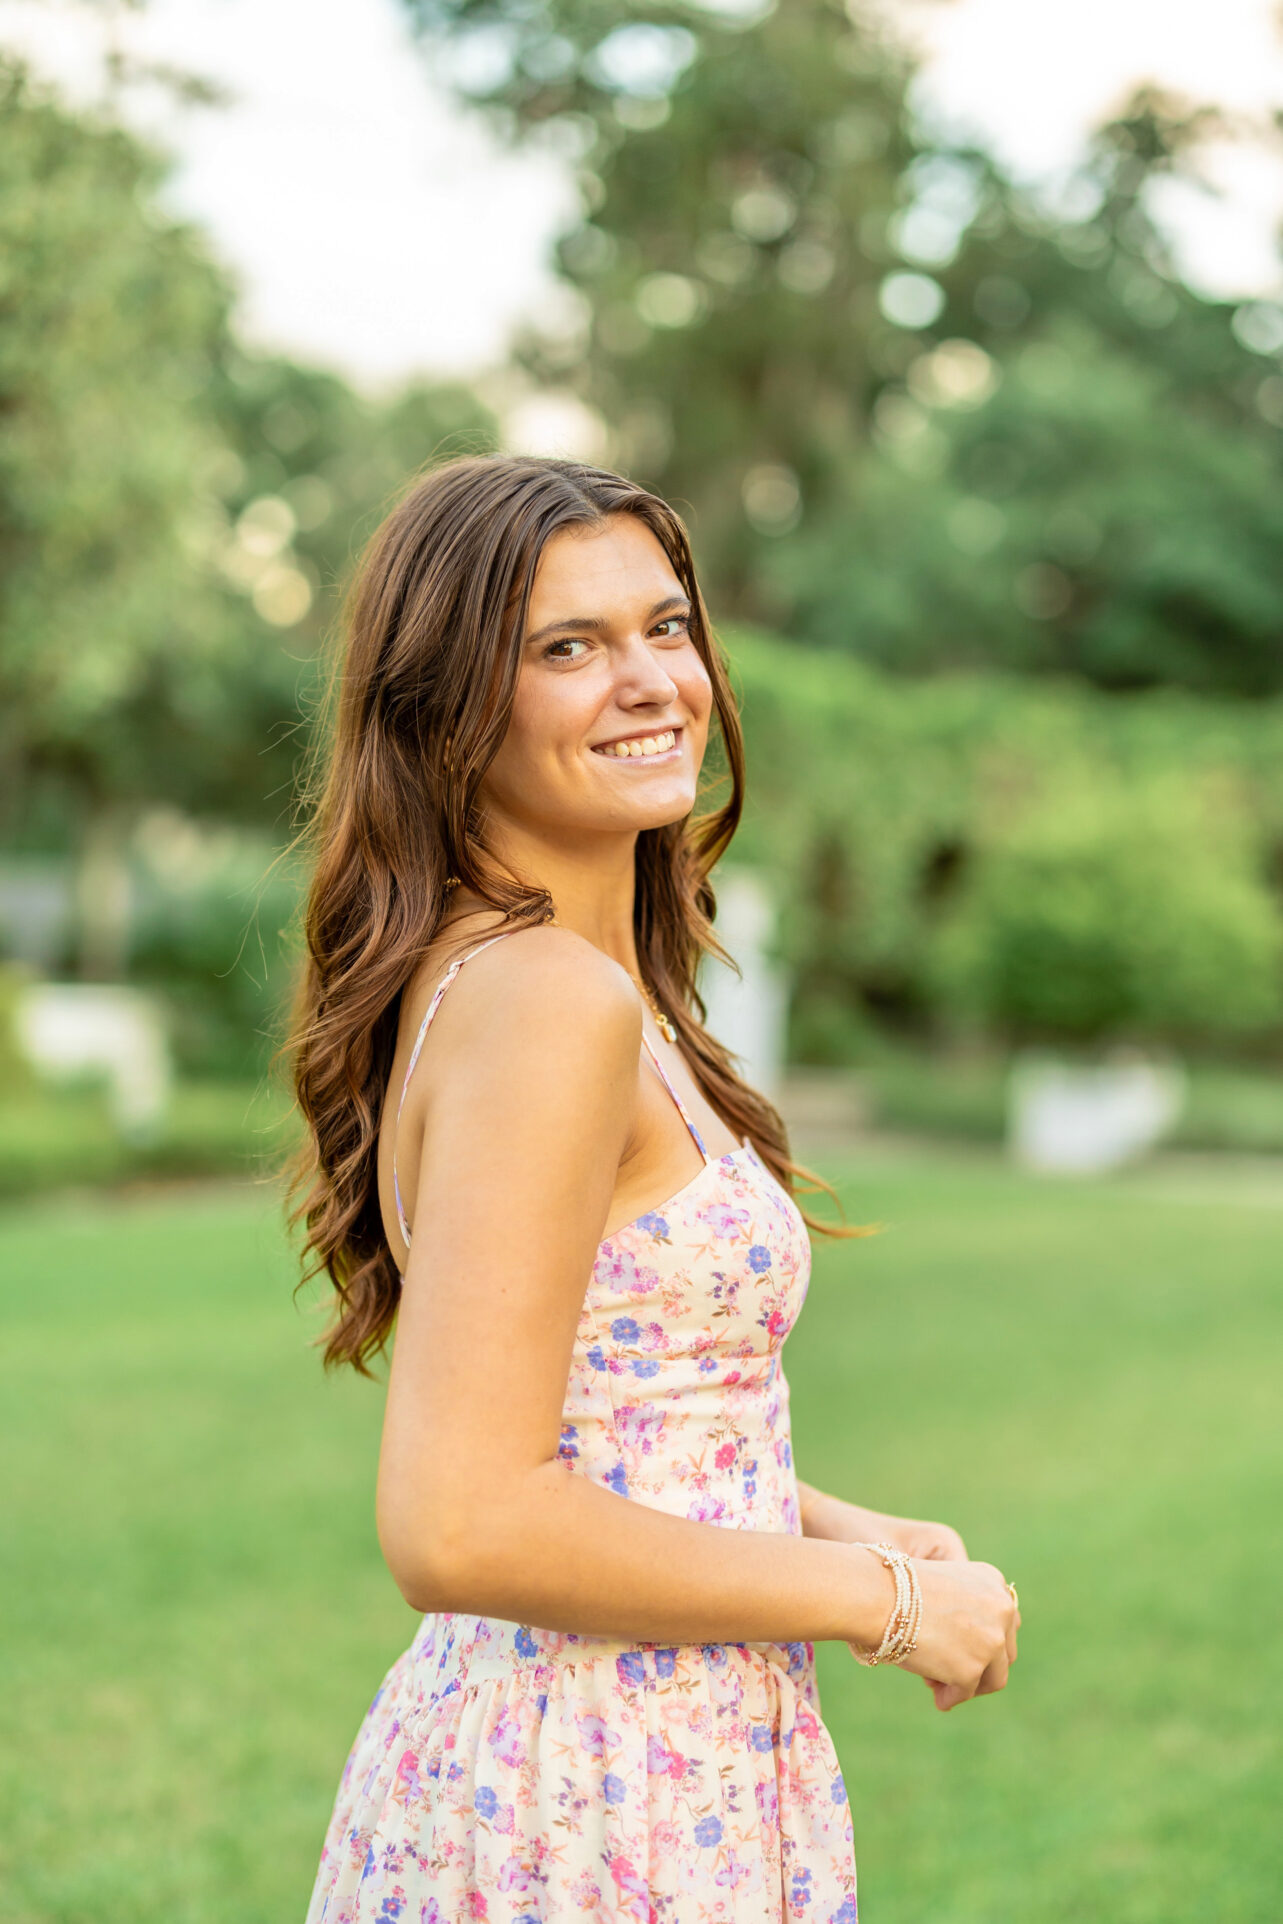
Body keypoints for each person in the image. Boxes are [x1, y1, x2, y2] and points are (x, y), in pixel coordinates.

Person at [287, 453, 1019, 1923]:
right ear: (445, 714)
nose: (649, 681)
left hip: (644, 1758)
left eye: (664, 628)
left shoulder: (555, 980)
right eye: (567, 648)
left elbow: (609, 1420)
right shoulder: (549, 1001)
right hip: (588, 1790)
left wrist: (841, 1525)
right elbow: (460, 1520)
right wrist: (882, 1608)